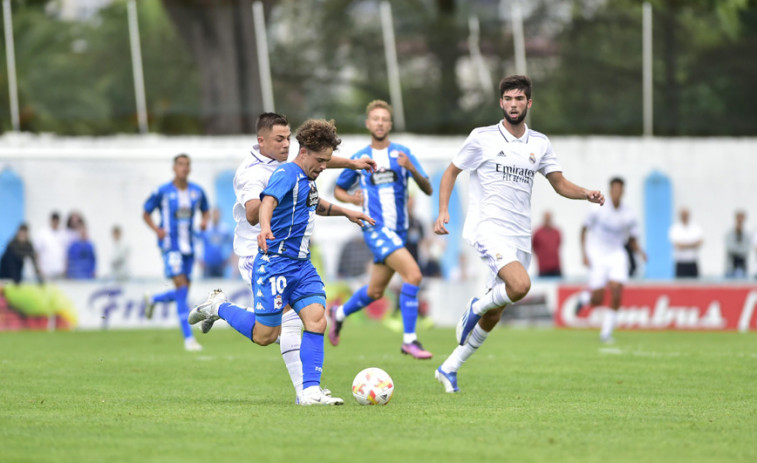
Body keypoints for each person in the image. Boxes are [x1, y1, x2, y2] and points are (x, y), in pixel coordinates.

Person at [432, 75, 605, 393]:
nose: (513, 104)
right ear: (501, 103)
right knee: (520, 285)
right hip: (488, 228)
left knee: (495, 313)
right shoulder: (482, 137)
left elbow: (559, 182)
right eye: (508, 99)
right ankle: (475, 305)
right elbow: (451, 172)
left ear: (529, 103)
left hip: (519, 236)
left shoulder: (539, 143)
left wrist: (586, 193)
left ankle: (450, 366)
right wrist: (443, 210)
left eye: (519, 99)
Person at [188, 113, 375, 404]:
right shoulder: (275, 173)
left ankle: (309, 391)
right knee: (267, 334)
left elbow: (315, 193)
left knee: (316, 320)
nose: (286, 144)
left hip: (300, 263)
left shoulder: (300, 170)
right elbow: (265, 204)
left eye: (288, 138)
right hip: (268, 259)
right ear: (262, 140)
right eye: (280, 139)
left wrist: (348, 209)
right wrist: (265, 225)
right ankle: (219, 306)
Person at [329, 99, 434, 359]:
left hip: (398, 231)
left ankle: (338, 313)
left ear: (390, 124)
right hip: (375, 228)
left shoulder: (402, 155)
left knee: (375, 291)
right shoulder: (360, 158)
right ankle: (409, 340)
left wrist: (412, 170)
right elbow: (338, 189)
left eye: (384, 119)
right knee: (413, 275)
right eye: (375, 118)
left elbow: (428, 187)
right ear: (368, 123)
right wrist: (351, 199)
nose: (380, 123)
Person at [143, 153, 209, 352]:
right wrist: (157, 230)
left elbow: (205, 209)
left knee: (183, 292)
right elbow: (146, 211)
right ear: (174, 168)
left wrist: (204, 220)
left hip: (189, 247)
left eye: (187, 164)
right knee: (181, 287)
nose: (184, 168)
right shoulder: (162, 191)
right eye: (180, 164)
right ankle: (189, 339)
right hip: (171, 247)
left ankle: (154, 299)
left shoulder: (197, 192)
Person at [575, 177, 647, 343]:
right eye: (614, 189)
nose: (616, 193)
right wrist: (584, 254)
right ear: (610, 190)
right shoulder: (597, 209)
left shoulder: (628, 214)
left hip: (616, 254)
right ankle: (586, 298)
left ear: (623, 192)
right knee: (597, 299)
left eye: (619, 190)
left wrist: (640, 253)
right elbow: (583, 230)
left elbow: (632, 238)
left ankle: (606, 333)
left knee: (616, 291)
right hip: (598, 254)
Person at [197, 208, 233, 278]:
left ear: (220, 216)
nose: (216, 216)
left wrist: (228, 258)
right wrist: (198, 259)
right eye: (214, 214)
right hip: (207, 263)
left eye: (217, 214)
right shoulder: (206, 229)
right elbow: (196, 241)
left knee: (219, 287)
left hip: (220, 264)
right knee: (207, 286)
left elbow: (232, 243)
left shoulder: (225, 230)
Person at [669, 208, 703, 278]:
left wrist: (684, 245)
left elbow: (700, 242)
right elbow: (678, 245)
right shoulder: (675, 228)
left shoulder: (695, 228)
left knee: (695, 285)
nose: (684, 217)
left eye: (686, 215)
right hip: (681, 263)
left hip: (692, 262)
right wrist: (692, 244)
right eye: (683, 215)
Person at [34, 212, 67, 280]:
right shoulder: (42, 233)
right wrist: (38, 269)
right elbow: (37, 252)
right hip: (46, 272)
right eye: (54, 221)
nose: (55, 223)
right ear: (51, 221)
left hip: (60, 271)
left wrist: (65, 268)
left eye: (57, 221)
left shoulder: (63, 234)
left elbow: (65, 253)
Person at [531, 210, 562, 277]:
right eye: (546, 218)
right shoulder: (538, 233)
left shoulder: (556, 232)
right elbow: (533, 246)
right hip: (543, 268)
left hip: (556, 267)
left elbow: (559, 244)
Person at [724, 210, 750, 278]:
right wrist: (740, 248)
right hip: (730, 267)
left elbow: (746, 250)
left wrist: (737, 248)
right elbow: (730, 248)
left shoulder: (747, 235)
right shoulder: (729, 234)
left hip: (742, 267)